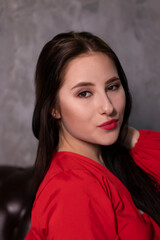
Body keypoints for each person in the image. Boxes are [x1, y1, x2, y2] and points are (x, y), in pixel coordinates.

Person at [25, 31, 160, 240]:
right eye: (84, 93)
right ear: (53, 108)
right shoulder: (72, 187)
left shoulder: (110, 163)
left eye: (112, 87)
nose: (108, 107)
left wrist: (128, 136)